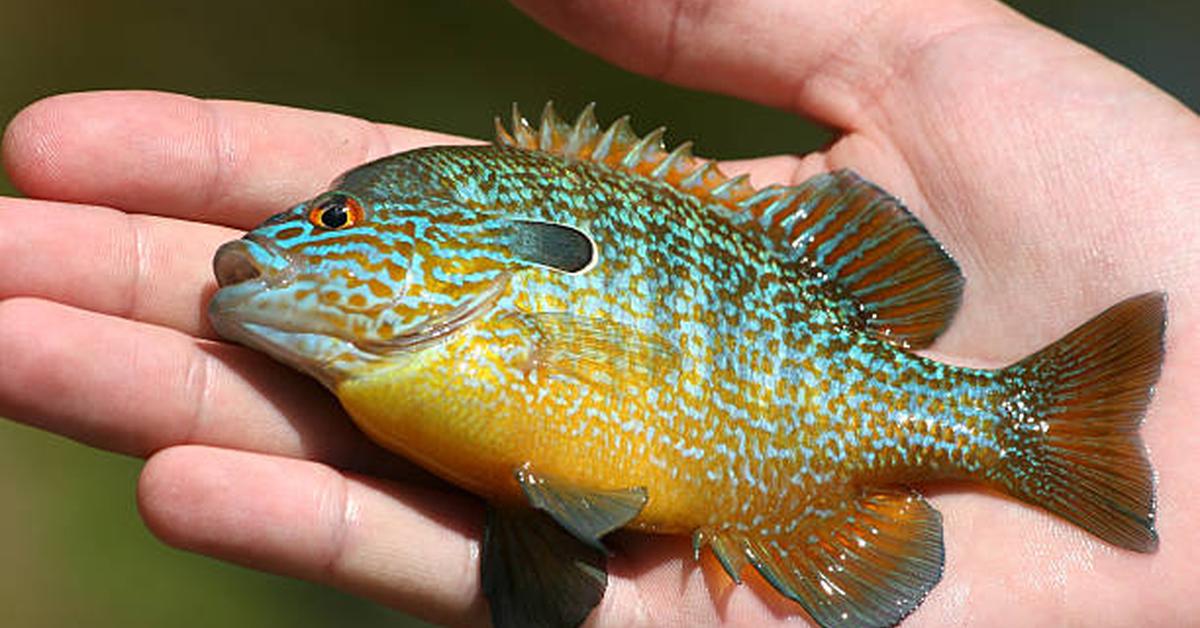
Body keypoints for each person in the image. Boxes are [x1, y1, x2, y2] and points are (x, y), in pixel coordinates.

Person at [1, 0, 1196, 625]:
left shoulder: (471, 334)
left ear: (447, 255)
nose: (256, 255)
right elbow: (547, 474)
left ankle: (1023, 425)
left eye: (334, 227)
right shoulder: (421, 355)